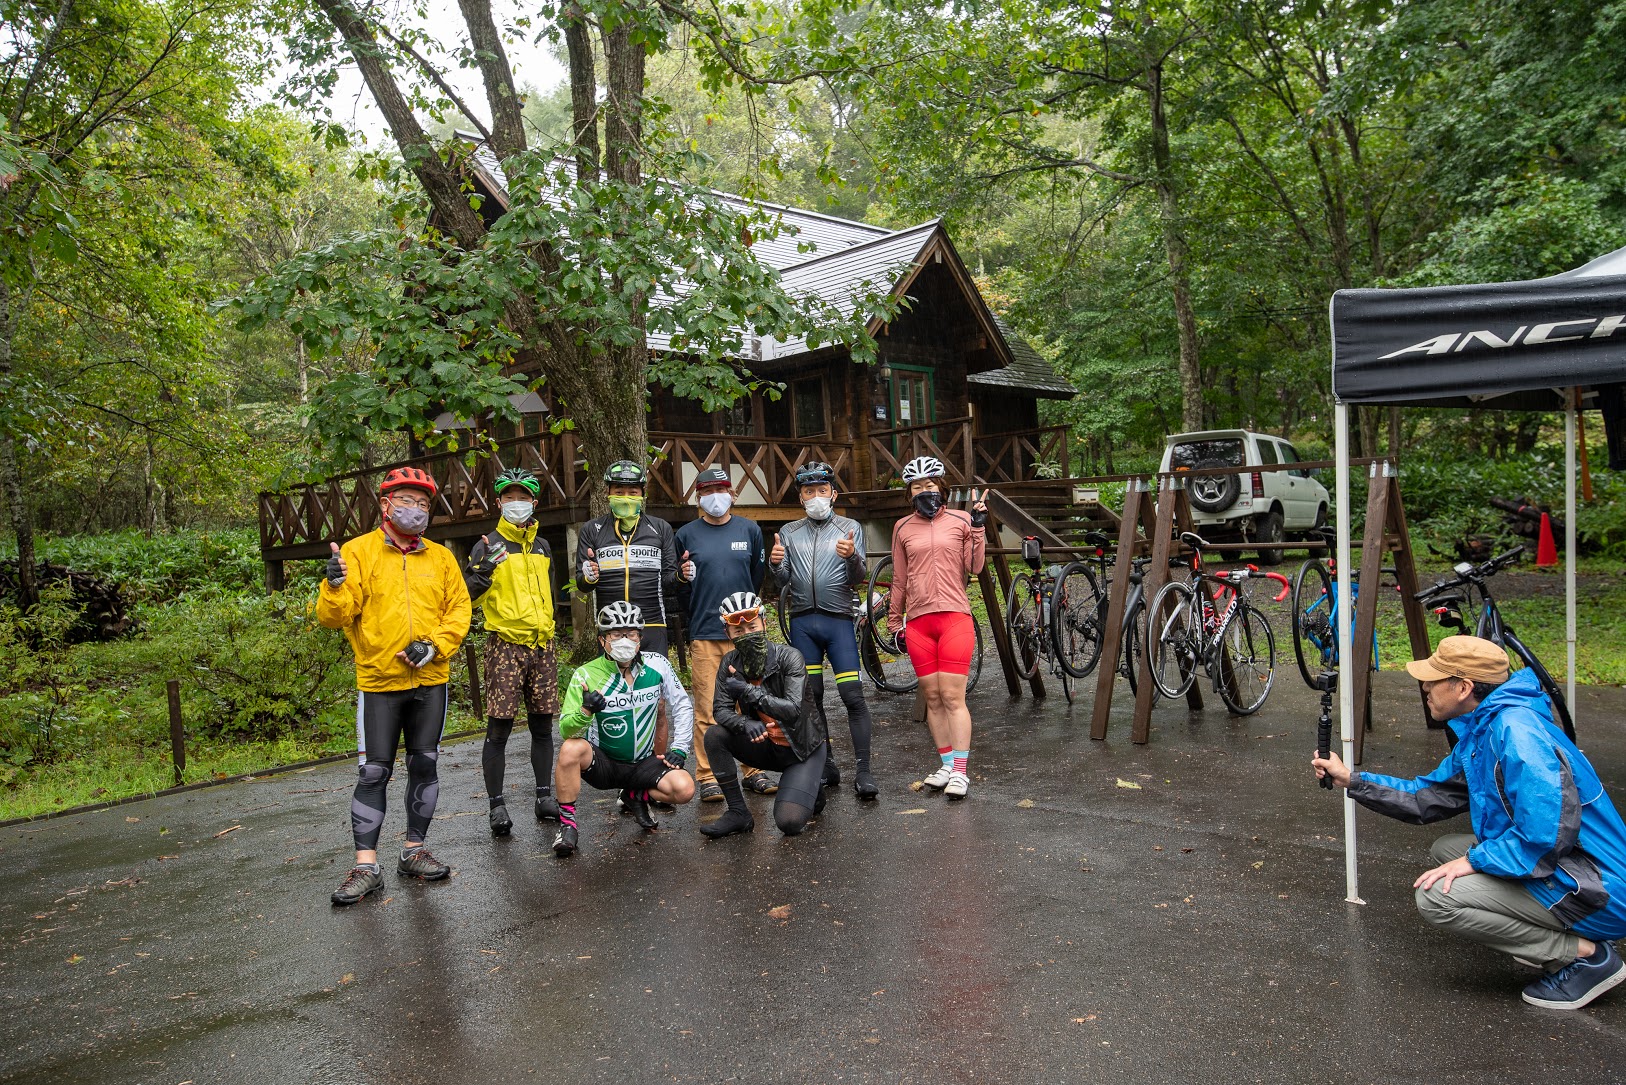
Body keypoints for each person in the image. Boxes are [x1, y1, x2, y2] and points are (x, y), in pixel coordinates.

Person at [1313, 635, 1626, 1010]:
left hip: (1596, 888)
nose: (1425, 687)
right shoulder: (1486, 726)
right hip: (1574, 867)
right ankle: (1549, 932)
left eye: (1434, 679)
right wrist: (1352, 780)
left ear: (1463, 687)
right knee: (1446, 850)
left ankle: (1586, 956)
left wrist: (1474, 862)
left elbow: (1545, 834)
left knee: (1436, 898)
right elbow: (1427, 796)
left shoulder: (1518, 734)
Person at [318, 466, 472, 905]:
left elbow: (458, 611)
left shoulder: (440, 558)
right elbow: (335, 617)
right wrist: (333, 585)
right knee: (374, 772)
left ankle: (413, 850)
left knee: (425, 764)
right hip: (379, 683)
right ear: (386, 505)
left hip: (430, 682)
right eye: (407, 501)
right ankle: (366, 866)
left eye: (424, 504)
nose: (416, 510)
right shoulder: (358, 551)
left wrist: (435, 647)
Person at [551, 601, 696, 857]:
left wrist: (680, 748)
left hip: (642, 763)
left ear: (640, 639)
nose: (624, 640)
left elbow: (683, 704)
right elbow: (566, 729)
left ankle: (634, 794)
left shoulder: (658, 665)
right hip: (604, 764)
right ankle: (568, 825)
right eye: (616, 635)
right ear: (603, 640)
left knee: (685, 788)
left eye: (630, 634)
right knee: (570, 749)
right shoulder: (586, 674)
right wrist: (585, 711)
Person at [771, 460, 878, 798]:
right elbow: (782, 581)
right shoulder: (789, 532)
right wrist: (774, 564)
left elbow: (857, 578)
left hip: (838, 622)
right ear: (800, 496)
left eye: (821, 490)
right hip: (803, 622)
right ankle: (826, 764)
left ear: (833, 493)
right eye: (807, 491)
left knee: (852, 696)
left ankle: (864, 772)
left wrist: (851, 557)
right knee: (811, 697)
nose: (815, 496)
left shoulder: (850, 527)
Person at [464, 467, 561, 837]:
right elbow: (466, 596)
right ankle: (496, 806)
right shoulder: (488, 544)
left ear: (534, 502)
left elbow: (550, 594)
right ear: (499, 502)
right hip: (505, 644)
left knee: (541, 725)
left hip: (542, 644)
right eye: (509, 497)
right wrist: (481, 572)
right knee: (499, 728)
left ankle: (543, 796)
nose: (516, 503)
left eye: (523, 497)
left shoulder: (542, 545)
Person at [675, 465, 775, 802]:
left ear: (731, 494)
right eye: (706, 492)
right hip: (705, 632)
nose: (714, 497)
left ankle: (753, 769)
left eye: (720, 490)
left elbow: (756, 576)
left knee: (749, 704)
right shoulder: (685, 535)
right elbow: (683, 586)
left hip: (746, 632)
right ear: (698, 498)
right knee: (707, 707)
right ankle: (708, 776)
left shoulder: (749, 530)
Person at [889, 456, 987, 799]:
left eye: (929, 485)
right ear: (909, 492)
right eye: (917, 487)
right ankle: (946, 764)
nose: (924, 491)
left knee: (952, 696)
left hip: (954, 617)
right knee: (932, 697)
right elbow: (899, 579)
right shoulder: (902, 527)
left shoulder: (961, 520)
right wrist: (892, 619)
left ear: (941, 488)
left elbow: (974, 566)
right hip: (918, 622)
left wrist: (978, 526)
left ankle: (961, 771)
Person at [701, 592, 828, 838]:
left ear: (764, 624)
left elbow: (792, 710)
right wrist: (743, 723)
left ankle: (812, 786)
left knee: (789, 823)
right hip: (767, 745)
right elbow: (720, 710)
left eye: (752, 626)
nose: (746, 634)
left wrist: (748, 691)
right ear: (728, 634)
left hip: (802, 750)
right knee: (715, 736)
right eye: (738, 631)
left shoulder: (789, 657)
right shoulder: (730, 661)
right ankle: (738, 813)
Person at [576, 460, 684, 657]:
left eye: (632, 492)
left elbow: (669, 582)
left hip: (652, 624)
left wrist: (681, 576)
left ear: (643, 494)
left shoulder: (661, 528)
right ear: (607, 493)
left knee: (652, 685)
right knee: (613, 687)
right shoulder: (591, 530)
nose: (625, 497)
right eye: (618, 492)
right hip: (610, 626)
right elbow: (582, 585)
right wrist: (589, 577)